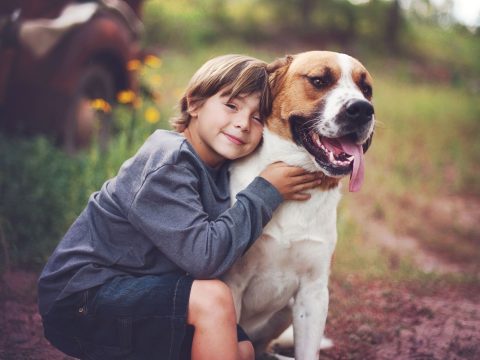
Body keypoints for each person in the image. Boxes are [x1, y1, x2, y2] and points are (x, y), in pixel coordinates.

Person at [38, 54, 322, 360]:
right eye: (231, 105)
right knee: (212, 299)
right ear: (194, 104)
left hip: (137, 295)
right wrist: (266, 191)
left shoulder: (217, 170)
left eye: (257, 117)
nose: (242, 123)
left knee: (242, 350)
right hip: (83, 298)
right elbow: (204, 259)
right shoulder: (167, 160)